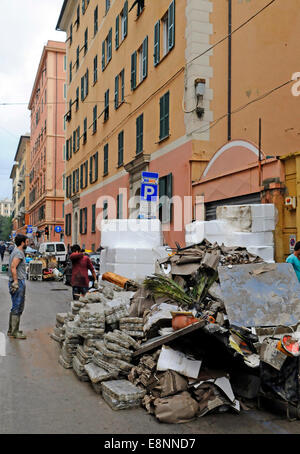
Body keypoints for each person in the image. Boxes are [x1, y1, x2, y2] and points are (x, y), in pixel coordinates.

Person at [7, 234, 29, 339]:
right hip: (18, 282)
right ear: (22, 242)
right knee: (17, 306)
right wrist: (16, 282)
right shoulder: (19, 253)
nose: (27, 243)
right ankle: (14, 332)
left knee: (16, 306)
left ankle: (12, 330)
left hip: (17, 281)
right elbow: (13, 267)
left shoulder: (16, 251)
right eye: (26, 241)